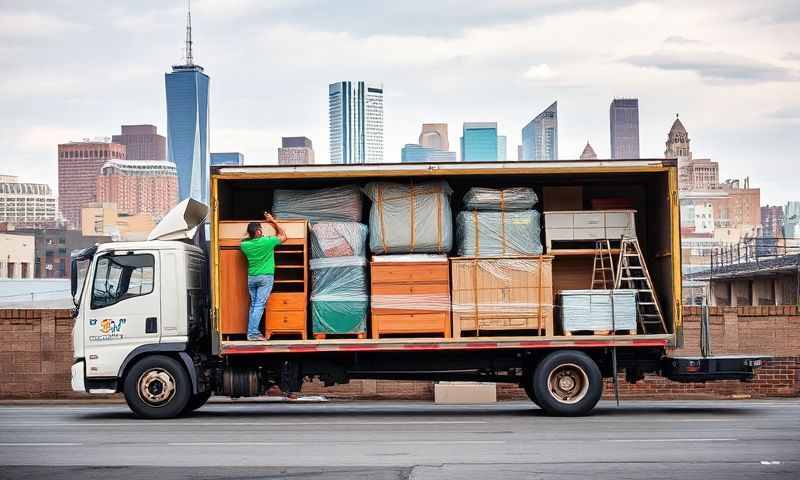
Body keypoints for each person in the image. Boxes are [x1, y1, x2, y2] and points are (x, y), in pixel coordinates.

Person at [240, 212, 287, 341]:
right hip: (265, 278)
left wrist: (251, 233)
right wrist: (272, 221)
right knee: (259, 305)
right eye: (260, 229)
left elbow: (242, 239)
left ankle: (251, 333)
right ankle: (253, 333)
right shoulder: (268, 241)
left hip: (252, 278)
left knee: (254, 305)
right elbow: (284, 236)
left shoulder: (245, 245)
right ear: (259, 232)